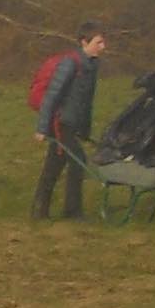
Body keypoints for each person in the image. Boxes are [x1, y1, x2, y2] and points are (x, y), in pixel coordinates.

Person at [33, 22, 109, 222]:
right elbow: (52, 96)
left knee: (54, 166)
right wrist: (42, 128)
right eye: (99, 42)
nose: (103, 46)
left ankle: (39, 211)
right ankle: (72, 211)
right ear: (84, 42)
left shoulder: (92, 65)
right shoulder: (70, 63)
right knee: (78, 162)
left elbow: (86, 102)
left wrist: (84, 129)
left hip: (72, 124)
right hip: (60, 123)